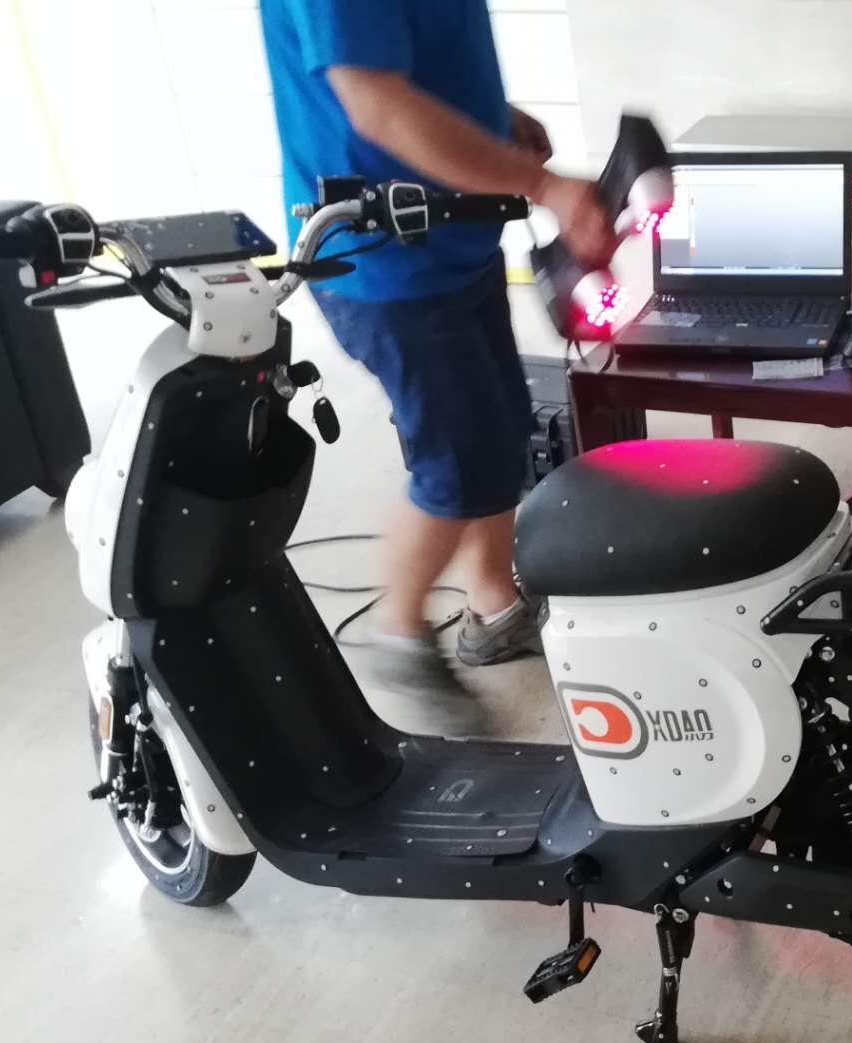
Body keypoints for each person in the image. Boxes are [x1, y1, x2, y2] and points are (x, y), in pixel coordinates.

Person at [260, 0, 615, 729]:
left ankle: (494, 606)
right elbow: (378, 104)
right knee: (456, 460)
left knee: (501, 423)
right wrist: (543, 185)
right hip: (385, 258)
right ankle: (399, 634)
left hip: (450, 236)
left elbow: (409, 53)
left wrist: (490, 117)